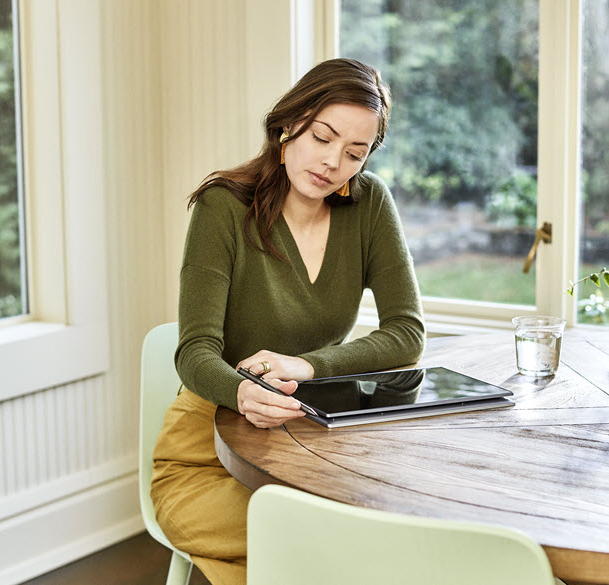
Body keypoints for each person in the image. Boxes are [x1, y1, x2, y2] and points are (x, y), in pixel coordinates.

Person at [150, 58, 425, 585]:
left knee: (353, 542)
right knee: (319, 549)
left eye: (355, 153)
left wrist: (306, 366)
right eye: (322, 137)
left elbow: (406, 334)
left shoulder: (369, 205)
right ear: (289, 124)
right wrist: (242, 392)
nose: (332, 162)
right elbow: (195, 351)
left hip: (310, 447)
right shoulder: (223, 206)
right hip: (206, 455)